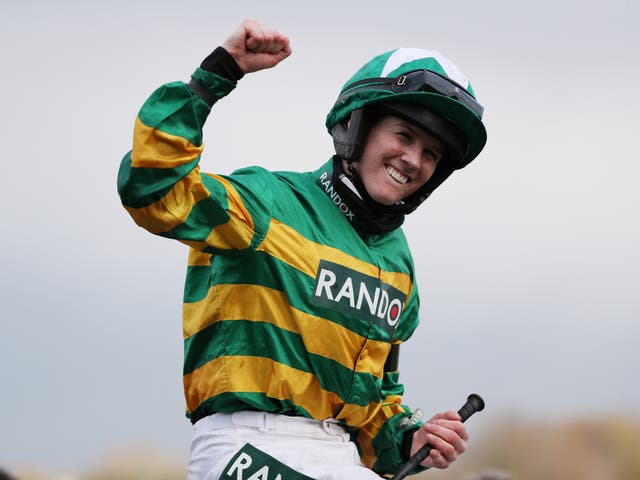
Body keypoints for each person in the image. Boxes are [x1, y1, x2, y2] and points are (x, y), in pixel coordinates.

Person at [118, 18, 487, 480]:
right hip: (242, 444)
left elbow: (374, 411)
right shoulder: (268, 201)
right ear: (357, 125)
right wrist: (217, 73)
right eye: (404, 136)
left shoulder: (399, 268)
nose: (413, 160)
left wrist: (411, 439)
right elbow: (153, 186)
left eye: (432, 153)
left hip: (338, 457)